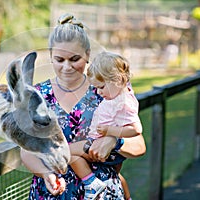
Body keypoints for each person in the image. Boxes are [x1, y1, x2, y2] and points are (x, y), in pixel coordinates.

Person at [20, 13, 146, 200]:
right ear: (51, 57)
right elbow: (27, 149)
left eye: (74, 59)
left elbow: (138, 144)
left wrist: (113, 140)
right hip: (52, 193)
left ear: (87, 55)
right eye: (60, 60)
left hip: (103, 193)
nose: (67, 67)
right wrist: (46, 174)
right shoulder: (38, 95)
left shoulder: (106, 91)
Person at [69, 51, 143, 200]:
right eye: (58, 59)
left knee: (66, 152)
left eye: (101, 87)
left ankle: (91, 183)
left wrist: (112, 135)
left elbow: (136, 130)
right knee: (116, 174)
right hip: (102, 152)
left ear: (118, 81)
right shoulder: (113, 95)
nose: (98, 91)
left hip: (100, 148)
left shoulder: (124, 101)